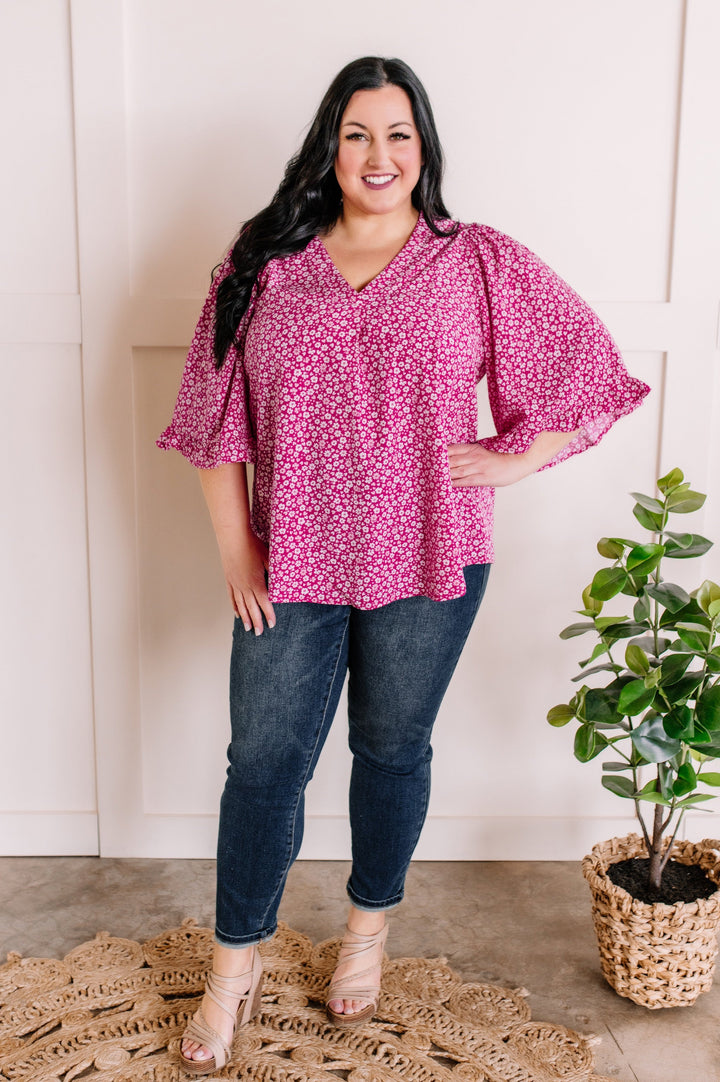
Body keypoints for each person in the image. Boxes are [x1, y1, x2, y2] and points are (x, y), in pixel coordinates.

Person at [157, 55, 649, 1074]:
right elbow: (213, 417)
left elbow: (590, 370)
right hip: (291, 556)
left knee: (392, 749)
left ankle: (368, 928)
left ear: (423, 147)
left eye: (398, 135)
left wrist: (518, 455)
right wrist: (235, 546)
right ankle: (232, 963)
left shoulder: (477, 262)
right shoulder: (264, 264)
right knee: (263, 765)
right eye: (356, 134)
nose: (378, 156)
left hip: (433, 553)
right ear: (327, 147)